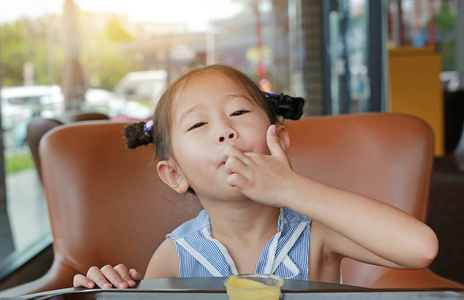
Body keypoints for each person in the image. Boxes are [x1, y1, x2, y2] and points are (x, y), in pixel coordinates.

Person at [73, 64, 438, 289]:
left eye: (239, 111)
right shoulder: (174, 256)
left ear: (277, 138)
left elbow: (421, 248)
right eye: (199, 124)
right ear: (174, 175)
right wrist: (109, 288)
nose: (225, 131)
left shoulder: (318, 234)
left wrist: (292, 187)